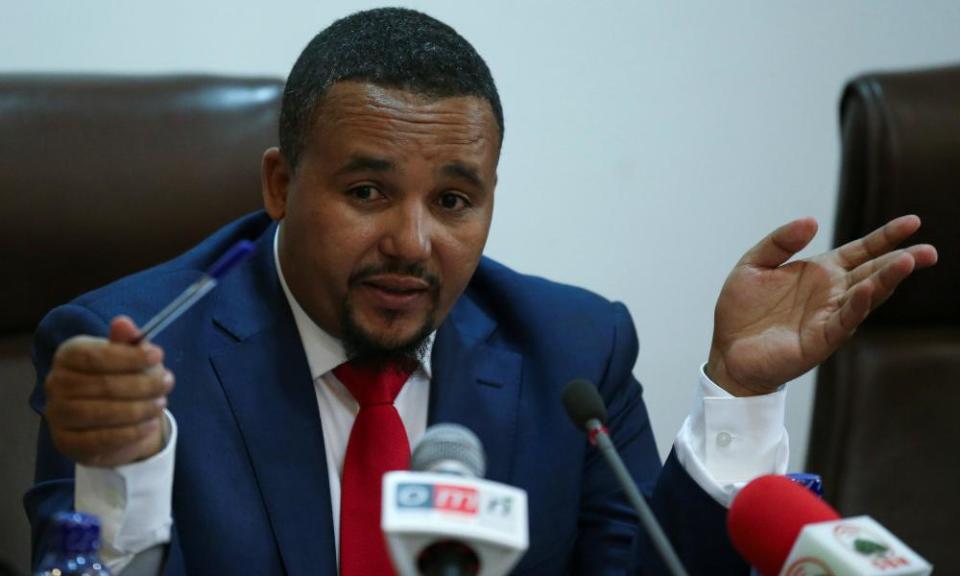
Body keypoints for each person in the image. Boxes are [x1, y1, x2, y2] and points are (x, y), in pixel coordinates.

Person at [25, 7, 937, 575]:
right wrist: (125, 465)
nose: (413, 243)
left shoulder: (572, 352)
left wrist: (739, 394)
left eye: (454, 200)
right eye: (367, 192)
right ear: (278, 186)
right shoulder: (131, 353)